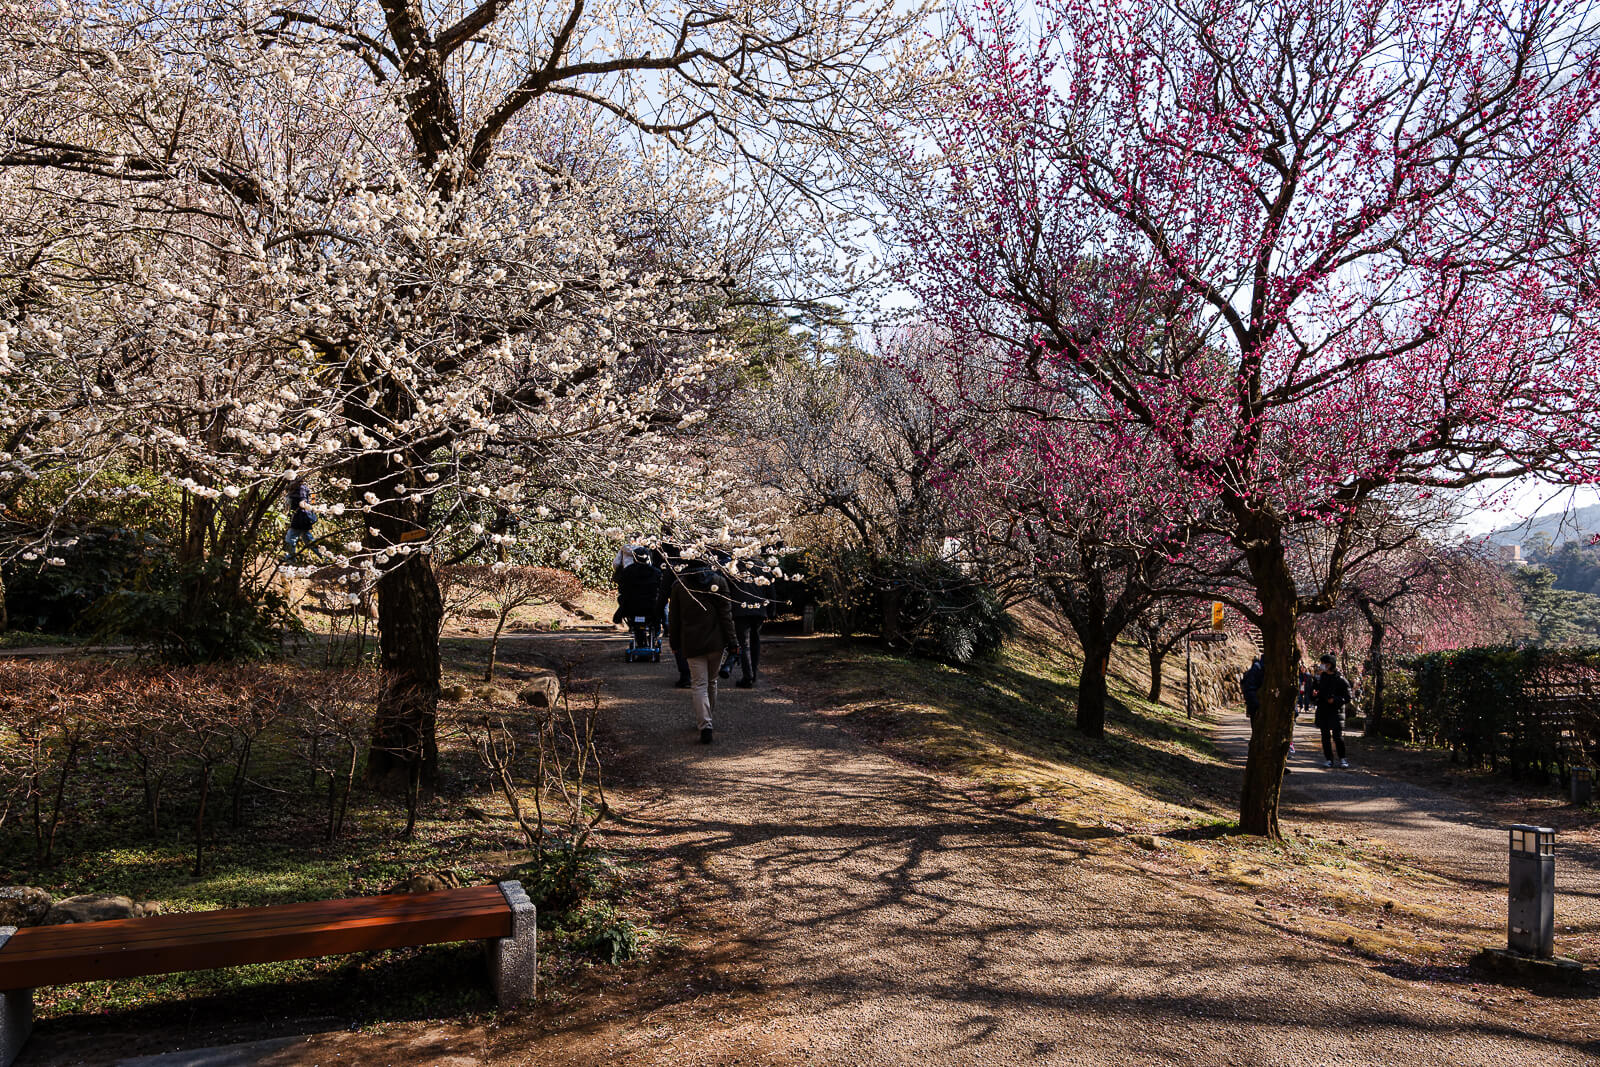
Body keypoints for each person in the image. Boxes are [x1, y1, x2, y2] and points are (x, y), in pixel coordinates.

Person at [668, 560, 739, 744]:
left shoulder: (679, 585)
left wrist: (674, 642)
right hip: (716, 641)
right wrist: (733, 642)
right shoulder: (718, 581)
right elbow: (726, 615)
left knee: (699, 684)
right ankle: (707, 717)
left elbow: (674, 618)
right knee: (711, 681)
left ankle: (705, 723)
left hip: (692, 642)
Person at [729, 565, 771, 689]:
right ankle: (753, 674)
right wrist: (771, 609)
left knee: (744, 644)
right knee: (755, 642)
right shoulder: (762, 566)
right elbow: (770, 588)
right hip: (758, 609)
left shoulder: (734, 566)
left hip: (741, 610)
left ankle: (748, 677)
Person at [1311, 654, 1352, 768]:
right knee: (1325, 737)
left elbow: (1348, 697)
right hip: (1323, 710)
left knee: (1337, 737)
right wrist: (1314, 695)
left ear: (1331, 665)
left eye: (1326, 664)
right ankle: (1329, 759)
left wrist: (1335, 700)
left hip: (1336, 712)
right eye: (1322, 663)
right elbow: (1313, 694)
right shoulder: (1319, 678)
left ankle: (1342, 758)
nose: (1323, 666)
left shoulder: (1340, 680)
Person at [617, 547, 662, 646]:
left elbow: (621, 589)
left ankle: (634, 630)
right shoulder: (656, 572)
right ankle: (655, 635)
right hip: (651, 607)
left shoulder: (627, 571)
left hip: (631, 607)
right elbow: (661, 589)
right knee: (658, 617)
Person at [282, 478, 319, 561]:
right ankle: (325, 557)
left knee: (290, 538)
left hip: (300, 517)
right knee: (308, 540)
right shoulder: (297, 488)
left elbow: (303, 502)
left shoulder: (300, 488)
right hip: (300, 517)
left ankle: (290, 558)